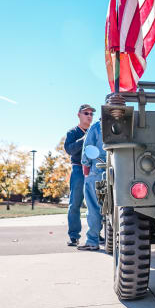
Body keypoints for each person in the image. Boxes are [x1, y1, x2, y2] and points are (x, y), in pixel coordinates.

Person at [63, 104, 94, 246]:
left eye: (91, 114)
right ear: (79, 115)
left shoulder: (96, 132)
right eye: (86, 113)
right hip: (78, 170)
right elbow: (69, 150)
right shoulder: (72, 132)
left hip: (95, 170)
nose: (89, 116)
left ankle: (95, 234)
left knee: (95, 204)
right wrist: (85, 139)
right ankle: (74, 236)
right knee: (75, 204)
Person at [77, 118, 106, 251]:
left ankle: (92, 240)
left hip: (99, 172)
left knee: (95, 207)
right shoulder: (132, 122)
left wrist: (86, 170)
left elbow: (87, 149)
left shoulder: (97, 126)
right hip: (123, 173)